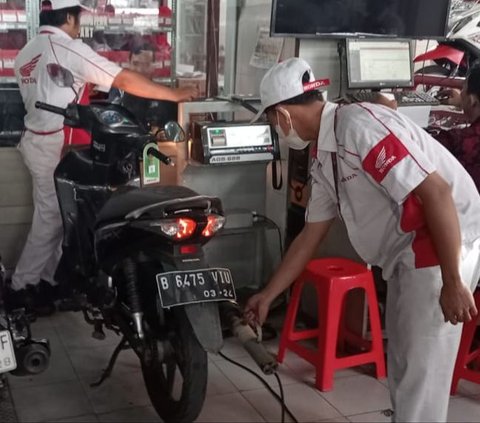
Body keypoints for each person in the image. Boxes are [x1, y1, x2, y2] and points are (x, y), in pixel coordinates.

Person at [245, 57, 480, 422]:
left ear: (284, 115)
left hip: (441, 243)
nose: (276, 129)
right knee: (406, 364)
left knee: (421, 377)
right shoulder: (325, 155)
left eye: (273, 120)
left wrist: (452, 282)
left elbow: (436, 192)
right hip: (411, 251)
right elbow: (311, 235)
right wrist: (267, 295)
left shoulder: (357, 125)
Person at [8, 0, 198, 316]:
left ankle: (47, 282)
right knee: (52, 218)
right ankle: (21, 289)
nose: (79, 23)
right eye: (78, 16)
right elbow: (122, 79)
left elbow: (60, 90)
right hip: (55, 145)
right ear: (69, 16)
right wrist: (174, 94)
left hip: (39, 141)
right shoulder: (65, 47)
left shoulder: (29, 49)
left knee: (66, 216)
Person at [430, 64, 480, 192]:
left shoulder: (458, 140)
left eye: (463, 88)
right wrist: (463, 102)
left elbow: (420, 145)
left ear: (473, 101)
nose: (461, 92)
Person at [109, 43, 177, 135]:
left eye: (146, 64)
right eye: (136, 63)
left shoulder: (165, 95)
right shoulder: (118, 91)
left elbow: (173, 129)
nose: (140, 69)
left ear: (153, 66)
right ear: (129, 64)